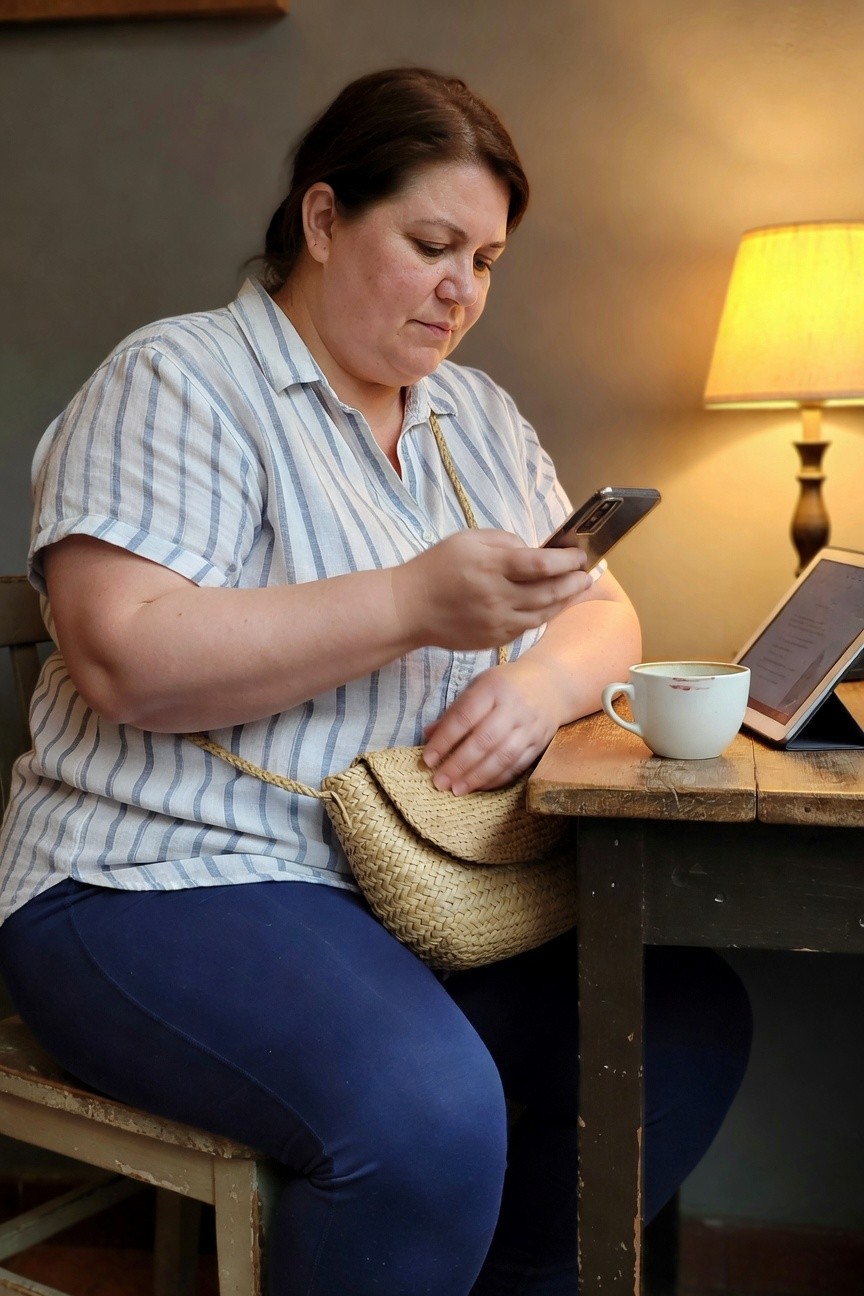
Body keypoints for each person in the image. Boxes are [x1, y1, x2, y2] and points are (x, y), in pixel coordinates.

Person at [0, 67, 751, 1295]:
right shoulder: (178, 380)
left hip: (401, 891)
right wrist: (410, 603)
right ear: (323, 219)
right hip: (149, 882)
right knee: (426, 1110)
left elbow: (606, 611)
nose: (463, 291)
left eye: (489, 261)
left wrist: (536, 687)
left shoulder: (473, 414)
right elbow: (121, 655)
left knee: (679, 1026)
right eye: (432, 244)